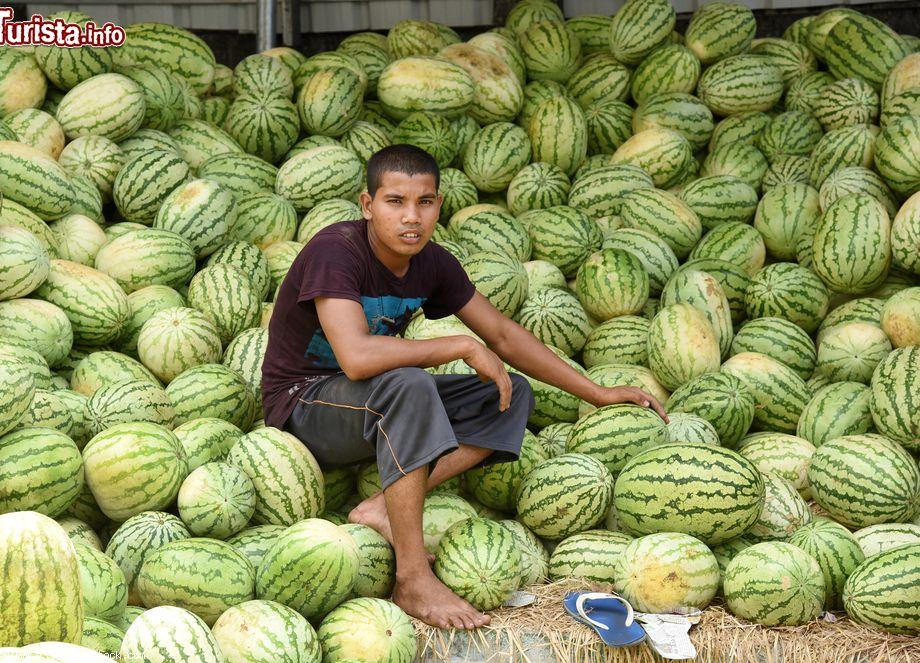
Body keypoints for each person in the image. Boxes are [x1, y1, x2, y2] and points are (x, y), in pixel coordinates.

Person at [261, 144, 667, 631]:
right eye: (395, 202)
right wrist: (459, 345)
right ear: (367, 205)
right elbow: (357, 356)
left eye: (425, 202)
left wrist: (595, 392)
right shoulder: (336, 251)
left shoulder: (432, 263)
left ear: (438, 205)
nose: (411, 217)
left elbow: (501, 335)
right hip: (303, 404)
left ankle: (381, 509)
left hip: (368, 401)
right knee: (409, 386)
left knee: (508, 392)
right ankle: (412, 579)